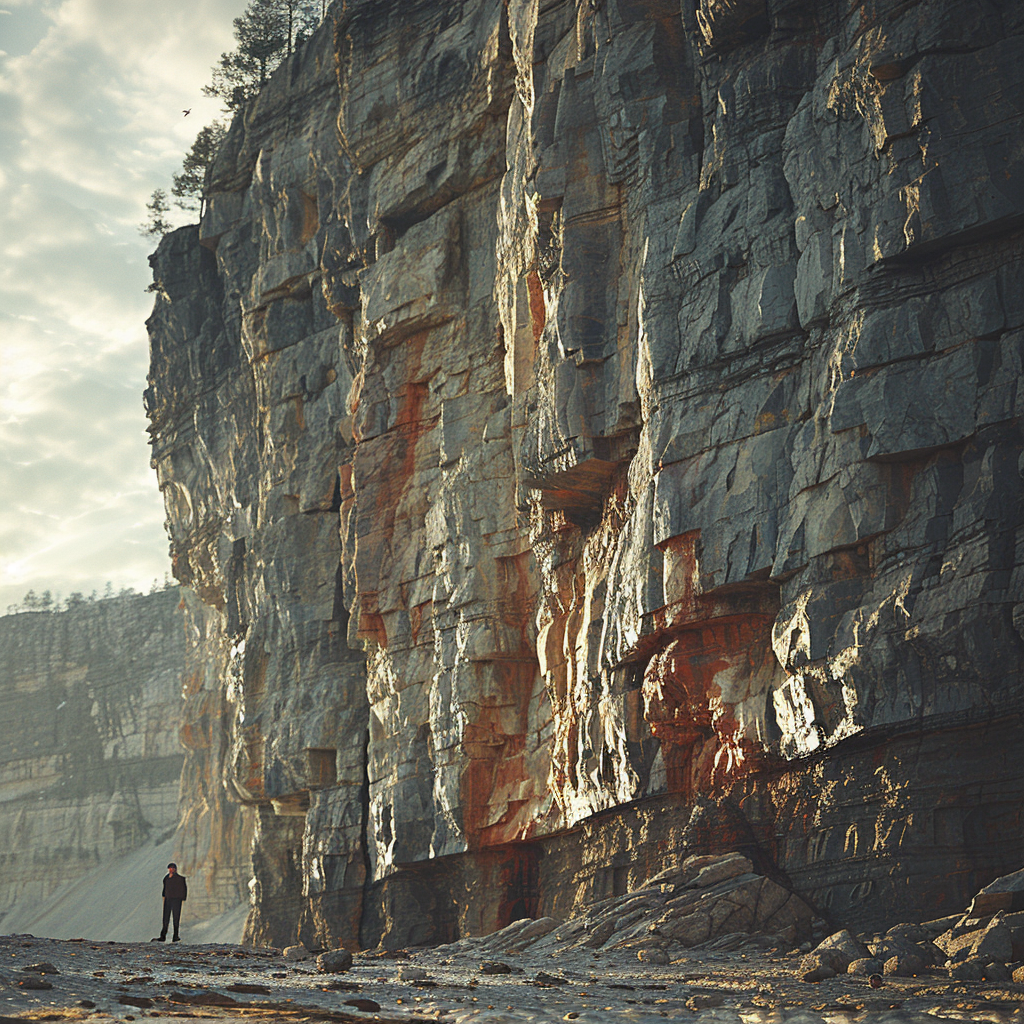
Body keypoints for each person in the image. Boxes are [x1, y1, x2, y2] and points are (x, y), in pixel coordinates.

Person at [152, 862, 187, 942]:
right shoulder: (166, 878)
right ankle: (163, 936)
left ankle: (175, 936)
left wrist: (181, 898)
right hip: (168, 900)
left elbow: (184, 889)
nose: (171, 870)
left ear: (175, 869)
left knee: (176, 918)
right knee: (165, 918)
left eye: (172, 868)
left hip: (176, 900)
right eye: (170, 868)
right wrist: (164, 896)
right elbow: (165, 889)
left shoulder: (180, 879)